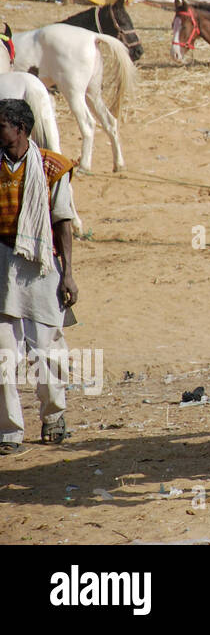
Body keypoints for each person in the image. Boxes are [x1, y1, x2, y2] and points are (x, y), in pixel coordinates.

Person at [0, 99, 78, 455]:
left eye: (1, 125)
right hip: (2, 265)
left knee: (46, 352)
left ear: (20, 129)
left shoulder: (52, 167)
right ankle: (10, 430)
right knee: (3, 354)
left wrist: (69, 276)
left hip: (42, 264)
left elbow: (62, 221)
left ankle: (54, 417)